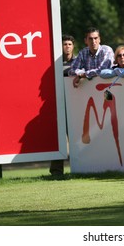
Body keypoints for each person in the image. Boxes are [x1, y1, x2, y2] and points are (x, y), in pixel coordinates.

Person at [49, 35, 76, 176]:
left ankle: (78, 169)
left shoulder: (78, 62)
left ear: (73, 46)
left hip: (75, 105)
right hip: (59, 104)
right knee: (59, 139)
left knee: (76, 138)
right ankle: (56, 171)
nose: (67, 46)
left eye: (69, 44)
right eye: (64, 44)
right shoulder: (54, 64)